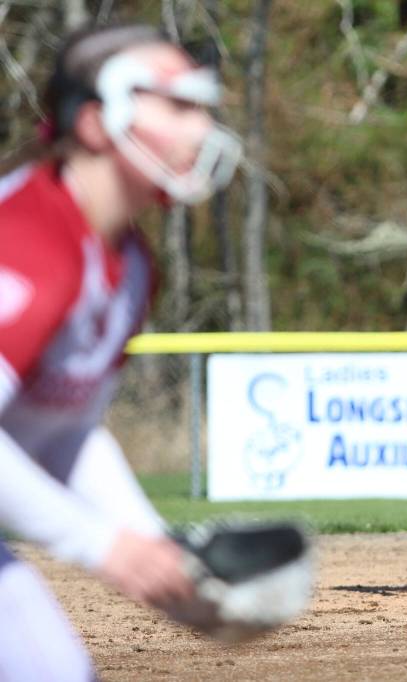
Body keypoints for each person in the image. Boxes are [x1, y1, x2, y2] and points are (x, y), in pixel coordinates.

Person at [0, 23, 241, 679]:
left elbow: (62, 436)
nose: (201, 127)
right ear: (96, 121)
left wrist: (158, 554)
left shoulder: (130, 264)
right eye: (179, 105)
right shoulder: (27, 242)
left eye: (204, 107)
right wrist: (107, 548)